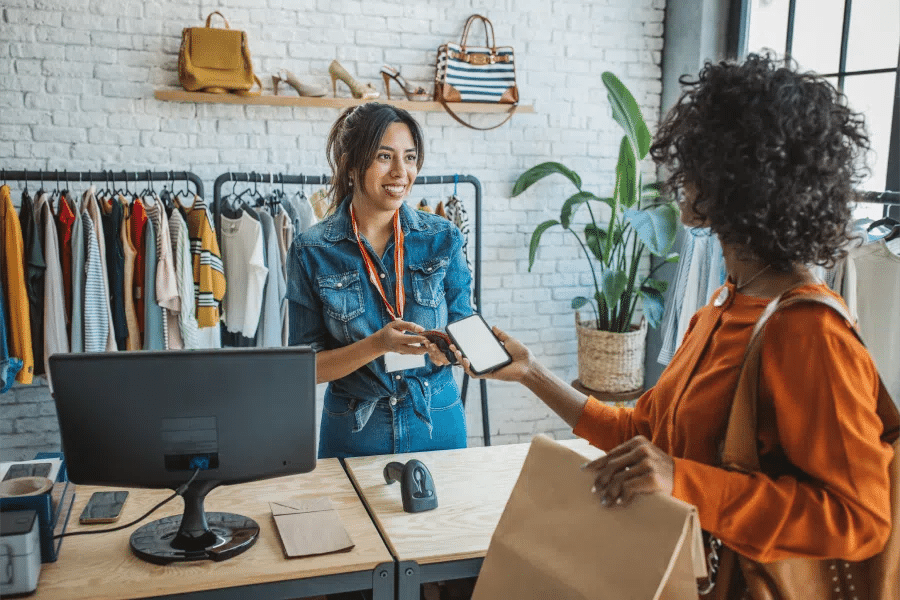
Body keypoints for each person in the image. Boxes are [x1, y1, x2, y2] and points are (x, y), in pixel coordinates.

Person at [456, 54, 894, 572]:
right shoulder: (723, 306)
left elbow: (860, 519)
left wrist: (683, 482)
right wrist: (531, 372)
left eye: (694, 164)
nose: (679, 179)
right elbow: (639, 438)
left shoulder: (807, 331)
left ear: (737, 180)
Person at [286, 103, 473, 459]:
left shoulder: (444, 237)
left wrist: (454, 352)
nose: (401, 172)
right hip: (355, 430)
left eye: (410, 157)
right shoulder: (310, 250)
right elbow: (304, 370)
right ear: (351, 166)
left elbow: (464, 324)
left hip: (438, 420)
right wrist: (376, 345)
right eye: (384, 156)